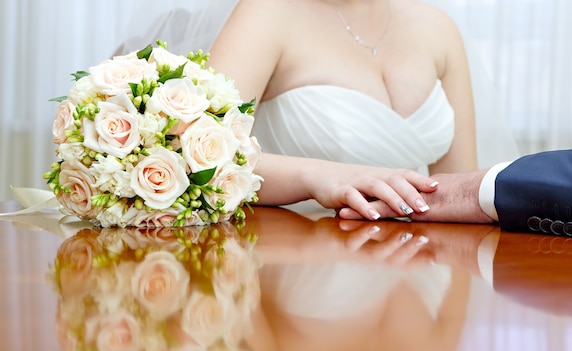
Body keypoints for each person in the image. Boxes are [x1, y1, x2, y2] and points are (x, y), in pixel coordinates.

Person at [119, 0, 520, 222]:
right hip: (295, 265)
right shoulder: (267, 14)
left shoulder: (438, 28)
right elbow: (192, 157)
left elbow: (458, 192)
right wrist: (317, 175)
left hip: (415, 268)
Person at [339, 146, 572, 241]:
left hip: (421, 237)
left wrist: (463, 192)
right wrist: (317, 174)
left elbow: (457, 170)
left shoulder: (439, 28)